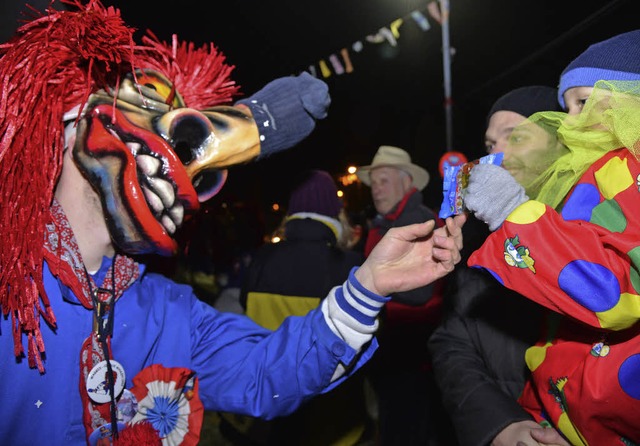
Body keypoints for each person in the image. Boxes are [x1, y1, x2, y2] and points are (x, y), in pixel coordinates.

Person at [0, 2, 467, 444]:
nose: (189, 175)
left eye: (206, 176)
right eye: (149, 100)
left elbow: (266, 373)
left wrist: (368, 288)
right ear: (68, 119)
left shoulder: (170, 312)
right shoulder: (9, 284)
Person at [463, 30, 640, 445]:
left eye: (583, 102)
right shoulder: (595, 174)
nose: (571, 121)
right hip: (563, 410)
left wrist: (513, 214)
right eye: (567, 107)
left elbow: (613, 291)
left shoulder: (631, 169)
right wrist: (532, 416)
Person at [429, 86, 564, 446]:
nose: (497, 154)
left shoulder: (601, 225)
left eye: (515, 136)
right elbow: (450, 341)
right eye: (489, 145)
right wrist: (500, 424)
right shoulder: (475, 239)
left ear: (560, 142)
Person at [231, 169, 370, 445]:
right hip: (330, 413)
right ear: (334, 213)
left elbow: (245, 310)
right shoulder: (350, 266)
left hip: (272, 402)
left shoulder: (260, 259)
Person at [356, 145, 447, 445]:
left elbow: (421, 291)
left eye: (383, 180)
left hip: (414, 356)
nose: (375, 190)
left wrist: (367, 287)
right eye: (374, 183)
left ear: (406, 182)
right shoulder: (385, 224)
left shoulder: (419, 222)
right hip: (393, 353)